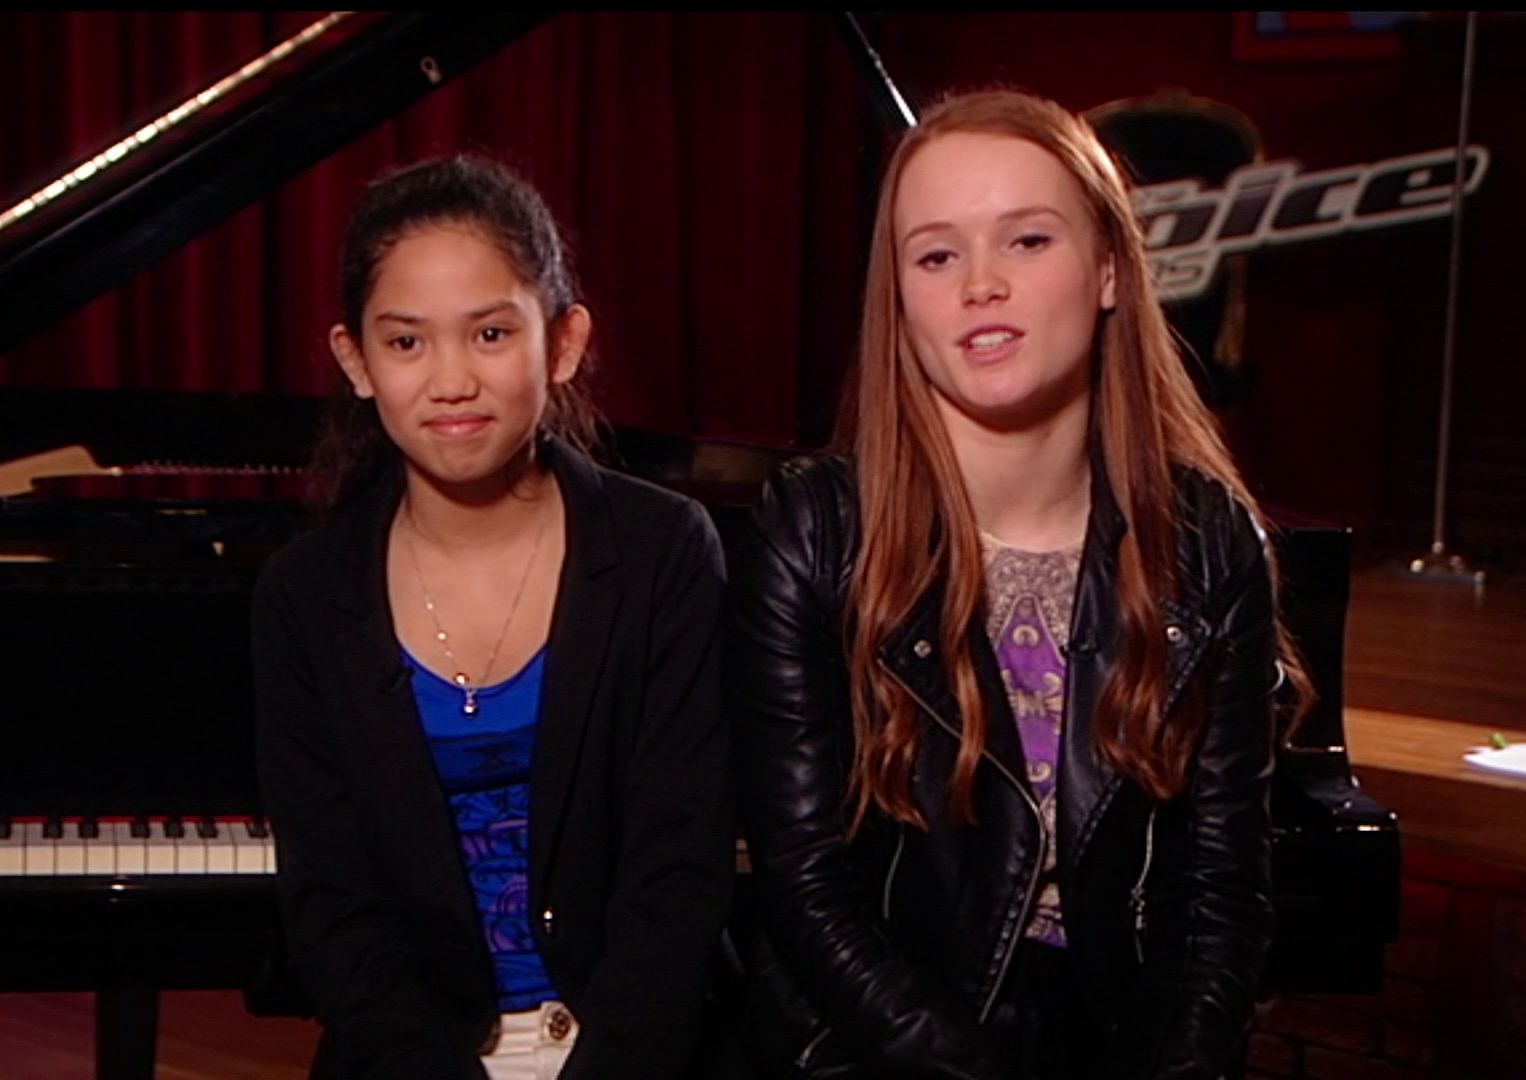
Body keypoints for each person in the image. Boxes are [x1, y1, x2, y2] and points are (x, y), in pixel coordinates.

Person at [727, 89, 1308, 1079]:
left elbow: (1217, 899)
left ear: (1111, 269)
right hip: (884, 1050)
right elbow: (807, 890)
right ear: (898, 298)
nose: (981, 285)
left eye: (1028, 241)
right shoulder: (814, 530)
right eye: (936, 256)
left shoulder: (1211, 540)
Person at [252, 155, 732, 1080]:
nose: (451, 381)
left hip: (634, 1053)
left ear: (563, 342)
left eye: (490, 334)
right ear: (356, 361)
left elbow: (679, 873)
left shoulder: (663, 549)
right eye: (406, 342)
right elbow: (334, 909)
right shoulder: (304, 593)